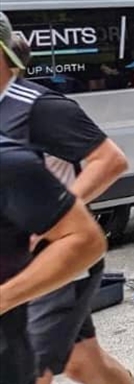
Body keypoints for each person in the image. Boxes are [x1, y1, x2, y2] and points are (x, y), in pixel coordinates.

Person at [0, 13, 134, 384]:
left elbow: (109, 160)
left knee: (33, 373)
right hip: (14, 260)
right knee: (84, 363)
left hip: (58, 257)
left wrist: (52, 222)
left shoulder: (37, 107)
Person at [1, 148, 107, 384]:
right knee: (84, 362)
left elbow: (110, 160)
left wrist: (55, 215)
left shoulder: (40, 112)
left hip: (53, 262)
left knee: (41, 371)